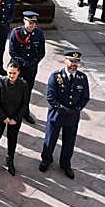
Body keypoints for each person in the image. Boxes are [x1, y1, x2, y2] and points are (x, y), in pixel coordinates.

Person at [39, 51, 90, 179]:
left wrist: (77, 109)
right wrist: (62, 109)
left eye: (76, 62)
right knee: (50, 139)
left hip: (72, 116)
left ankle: (65, 163)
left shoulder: (82, 78)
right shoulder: (56, 76)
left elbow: (85, 97)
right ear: (65, 61)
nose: (74, 64)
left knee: (69, 141)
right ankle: (46, 159)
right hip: (57, 114)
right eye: (71, 61)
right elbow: (50, 97)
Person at [0, 61, 30, 175]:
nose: (11, 75)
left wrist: (16, 119)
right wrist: (4, 117)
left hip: (15, 117)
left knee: (12, 139)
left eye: (14, 73)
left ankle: (10, 159)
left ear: (18, 73)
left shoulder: (23, 85)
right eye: (9, 73)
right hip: (0, 116)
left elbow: (25, 104)